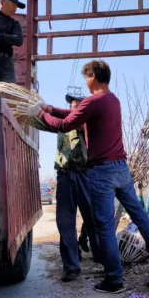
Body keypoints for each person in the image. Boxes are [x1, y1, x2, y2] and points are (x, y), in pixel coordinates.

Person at [18, 60, 149, 294]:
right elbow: (73, 115)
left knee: (104, 227)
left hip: (102, 173)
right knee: (139, 215)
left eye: (86, 77)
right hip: (121, 169)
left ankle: (114, 280)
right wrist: (48, 107)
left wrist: (40, 114)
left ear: (92, 75)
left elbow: (65, 124)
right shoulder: (112, 100)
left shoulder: (93, 101)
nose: (85, 81)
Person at [54, 93, 103, 282]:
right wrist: (31, 111)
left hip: (85, 174)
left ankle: (101, 257)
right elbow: (44, 122)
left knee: (93, 218)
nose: (73, 105)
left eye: (77, 103)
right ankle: (71, 267)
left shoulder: (87, 121)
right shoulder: (62, 121)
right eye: (71, 103)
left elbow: (77, 123)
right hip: (65, 175)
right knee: (66, 223)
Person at [0, 0, 25, 86]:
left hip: (4, 61)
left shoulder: (14, 24)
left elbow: (19, 40)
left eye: (16, 6)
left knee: (10, 92)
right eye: (13, 4)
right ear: (2, 1)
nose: (15, 9)